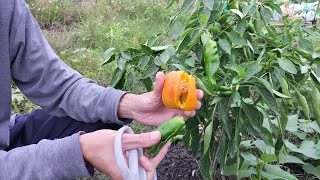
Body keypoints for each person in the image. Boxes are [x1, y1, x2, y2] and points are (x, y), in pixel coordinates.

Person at [0, 0, 203, 179]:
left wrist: (128, 105)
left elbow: (53, 81)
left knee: (104, 116)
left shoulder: (6, 6)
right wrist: (79, 150)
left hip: (7, 132)